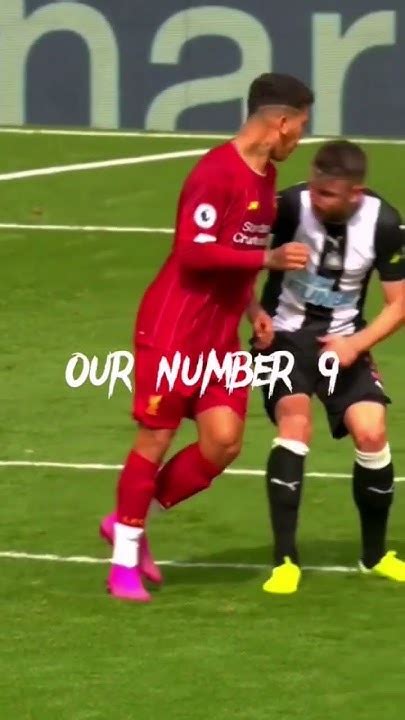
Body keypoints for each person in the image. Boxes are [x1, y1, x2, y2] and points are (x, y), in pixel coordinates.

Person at [100, 73, 314, 602]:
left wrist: (253, 307)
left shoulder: (265, 177)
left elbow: (232, 254)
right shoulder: (214, 173)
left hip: (219, 336)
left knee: (224, 442)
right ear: (280, 122)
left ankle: (129, 518)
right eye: (300, 127)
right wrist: (267, 259)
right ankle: (123, 564)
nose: (300, 139)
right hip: (174, 328)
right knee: (156, 438)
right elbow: (194, 253)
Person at [255, 139, 405, 594]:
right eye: (314, 189)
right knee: (296, 423)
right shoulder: (287, 207)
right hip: (282, 337)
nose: (316, 200)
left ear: (355, 193)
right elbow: (236, 257)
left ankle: (374, 556)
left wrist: (354, 345)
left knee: (372, 432)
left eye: (328, 195)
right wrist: (253, 310)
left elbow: (399, 305)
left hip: (343, 341)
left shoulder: (384, 223)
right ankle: (285, 561)